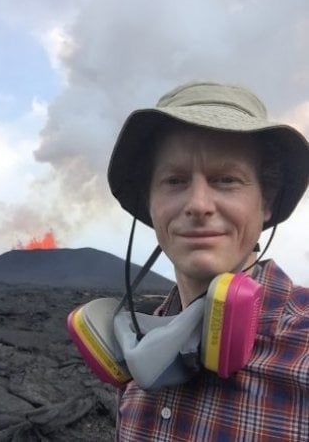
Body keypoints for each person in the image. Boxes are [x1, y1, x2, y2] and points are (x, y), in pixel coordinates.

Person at [107, 81, 309, 441]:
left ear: (267, 203)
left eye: (226, 180)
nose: (198, 204)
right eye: (174, 180)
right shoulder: (136, 357)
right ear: (151, 206)